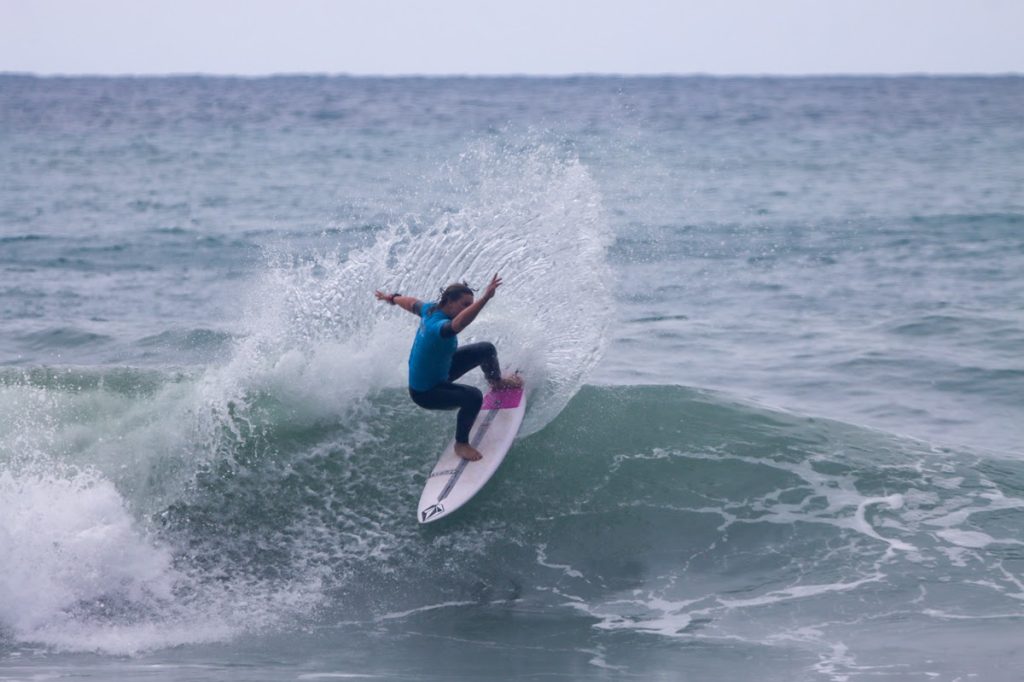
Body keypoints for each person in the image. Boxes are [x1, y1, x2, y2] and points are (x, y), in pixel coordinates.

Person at [375, 274, 522, 461]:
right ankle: (461, 444)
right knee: (473, 397)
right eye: (465, 305)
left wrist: (392, 298)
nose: (466, 309)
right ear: (449, 302)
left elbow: (411, 303)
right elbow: (458, 324)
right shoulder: (439, 327)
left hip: (441, 370)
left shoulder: (429, 310)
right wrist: (485, 298)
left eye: (470, 305)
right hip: (427, 392)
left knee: (486, 349)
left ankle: (496, 382)